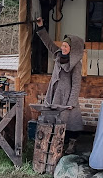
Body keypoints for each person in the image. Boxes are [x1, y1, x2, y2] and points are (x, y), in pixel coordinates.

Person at [35, 17, 84, 151]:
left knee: (70, 122)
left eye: (66, 46)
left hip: (66, 96)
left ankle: (71, 144)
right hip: (54, 92)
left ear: (72, 48)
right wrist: (41, 27)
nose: (62, 47)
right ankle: (55, 143)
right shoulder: (58, 55)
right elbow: (49, 43)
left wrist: (71, 103)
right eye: (62, 45)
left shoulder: (76, 64)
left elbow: (76, 84)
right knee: (53, 119)